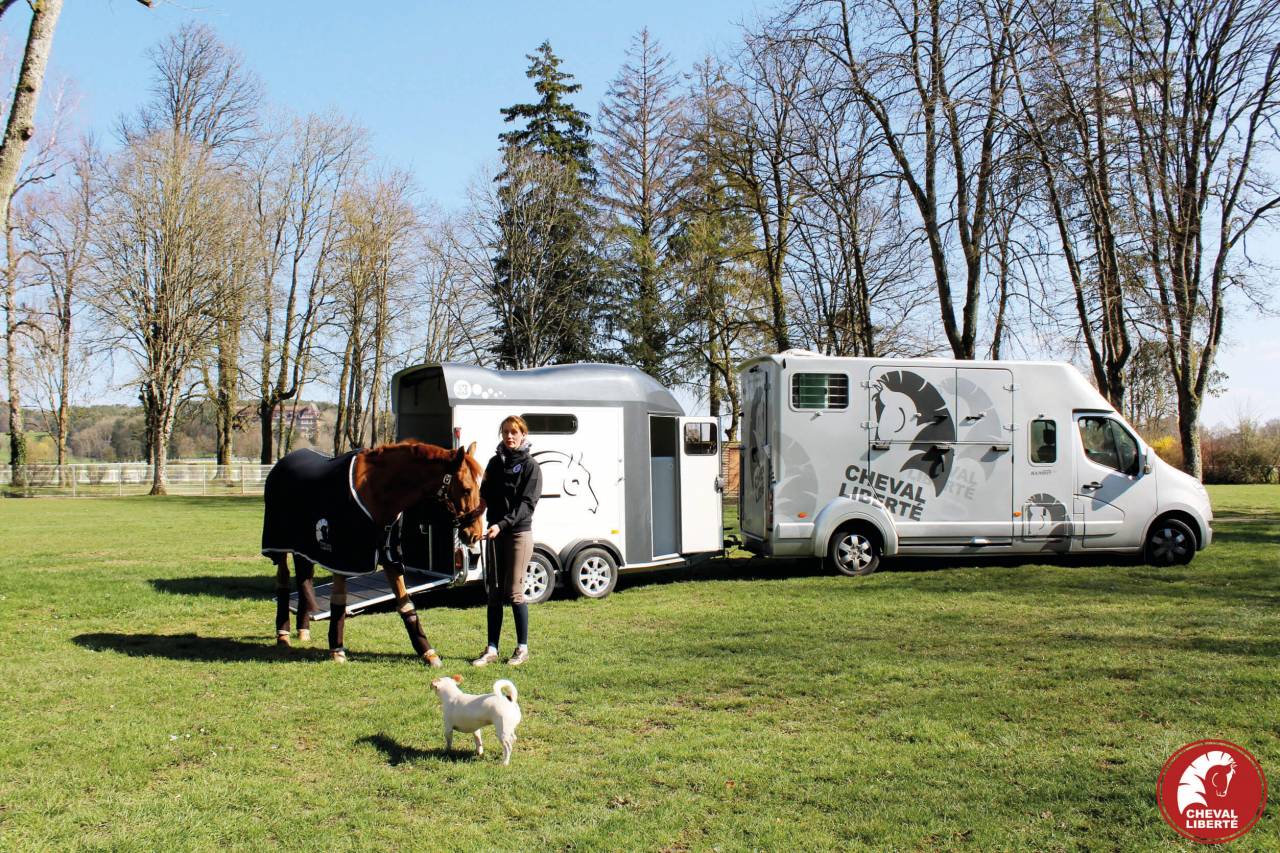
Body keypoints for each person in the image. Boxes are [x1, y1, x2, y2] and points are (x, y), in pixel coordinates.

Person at [472, 415, 542, 667]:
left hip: (517, 535)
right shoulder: (494, 463)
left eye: (514, 432)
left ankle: (522, 649)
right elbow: (484, 496)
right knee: (494, 594)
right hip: (494, 534)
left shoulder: (531, 466)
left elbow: (527, 505)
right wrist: (475, 519)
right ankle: (491, 649)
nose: (509, 436)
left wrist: (501, 526)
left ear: (523, 434)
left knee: (514, 593)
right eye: (505, 432)